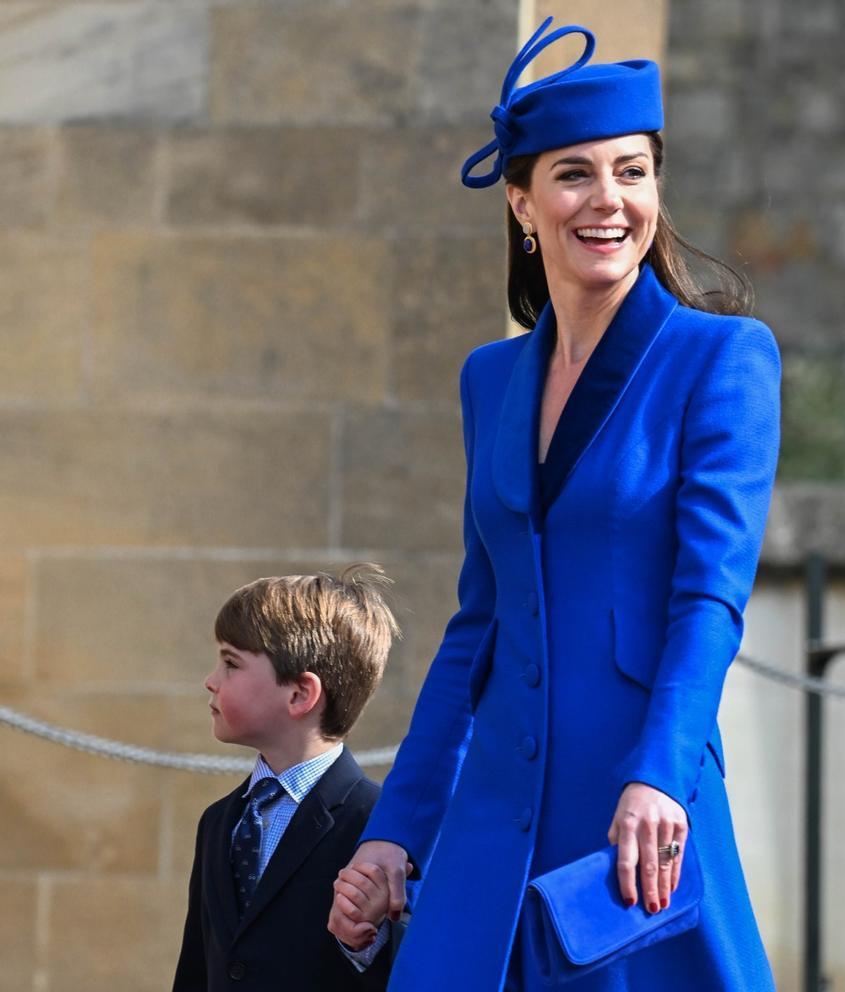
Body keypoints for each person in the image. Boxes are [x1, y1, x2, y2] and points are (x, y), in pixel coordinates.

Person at [329, 18, 780, 992]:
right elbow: (477, 624)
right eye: (575, 174)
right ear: (523, 203)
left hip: (633, 812)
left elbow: (709, 598)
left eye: (632, 170)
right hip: (490, 819)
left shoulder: (723, 358)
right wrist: (395, 831)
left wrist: (659, 771)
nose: (609, 199)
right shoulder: (488, 379)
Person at [173, 566, 400, 992]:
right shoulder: (219, 821)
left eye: (230, 663)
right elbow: (197, 970)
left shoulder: (380, 826)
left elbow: (419, 966)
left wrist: (366, 944)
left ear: (299, 695)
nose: (211, 680)